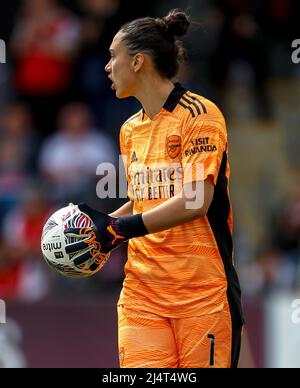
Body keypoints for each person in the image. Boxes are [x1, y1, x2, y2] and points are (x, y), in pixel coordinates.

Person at [65, 9, 244, 368]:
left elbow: (194, 200)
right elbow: (144, 200)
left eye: (113, 56)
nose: (106, 66)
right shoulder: (129, 129)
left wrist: (120, 230)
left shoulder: (199, 115)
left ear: (138, 61)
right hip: (142, 294)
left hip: (202, 295)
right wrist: (98, 228)